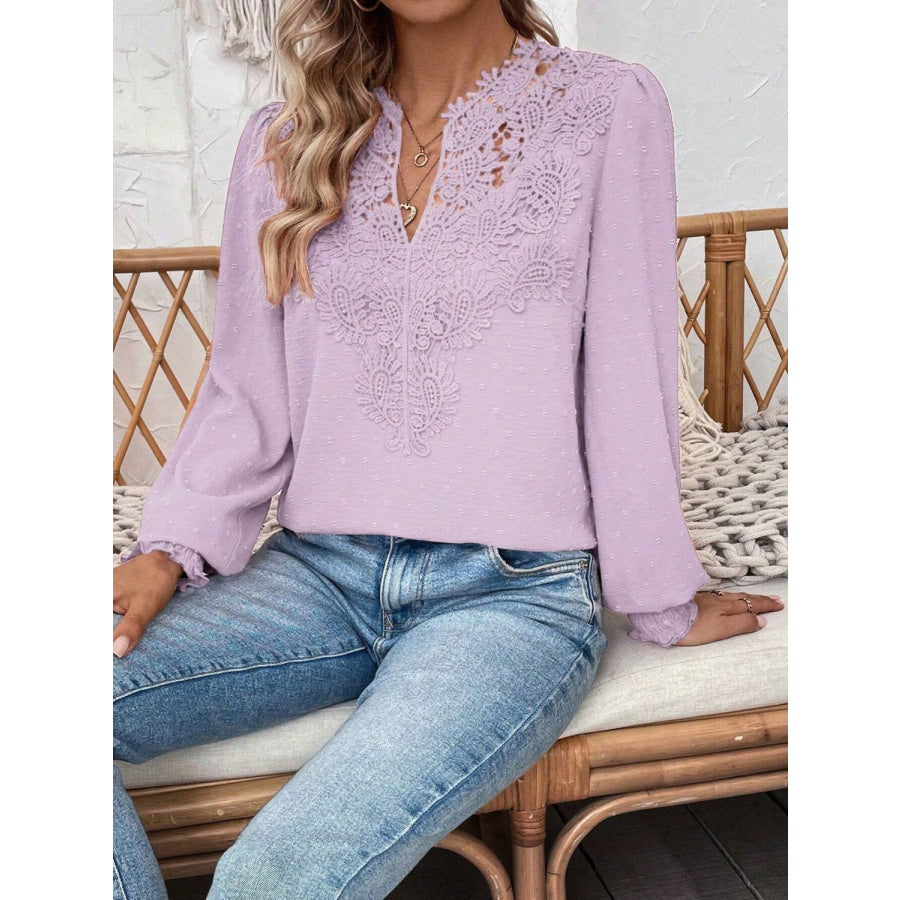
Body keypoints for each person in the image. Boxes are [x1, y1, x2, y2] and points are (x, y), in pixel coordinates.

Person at [112, 1, 784, 897]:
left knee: (277, 875)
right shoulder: (287, 138)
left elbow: (630, 367)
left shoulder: (606, 108)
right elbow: (245, 388)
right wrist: (169, 550)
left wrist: (661, 596)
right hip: (314, 574)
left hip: (513, 597)